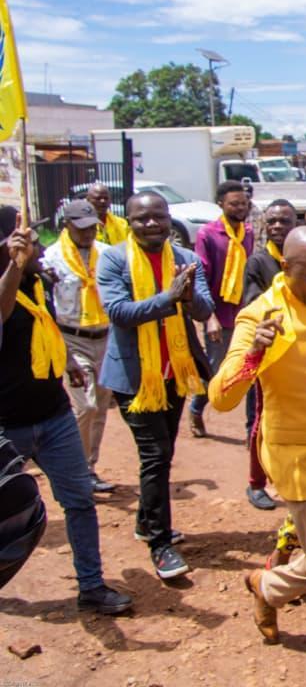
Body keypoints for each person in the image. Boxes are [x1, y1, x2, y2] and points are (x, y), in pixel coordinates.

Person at [210, 226, 306, 674]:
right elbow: (221, 396)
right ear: (285, 268)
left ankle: (268, 586)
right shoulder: (260, 316)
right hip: (298, 457)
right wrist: (254, 354)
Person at [0, 205, 132, 614]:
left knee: (79, 502)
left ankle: (91, 586)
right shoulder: (12, 281)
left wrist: (68, 362)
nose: (38, 243)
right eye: (25, 235)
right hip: (7, 425)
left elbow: (47, 325)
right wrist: (12, 269)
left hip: (53, 415)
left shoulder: (37, 279)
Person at [98, 192, 214, 580]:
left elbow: (204, 309)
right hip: (134, 378)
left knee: (163, 454)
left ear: (169, 219)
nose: (151, 224)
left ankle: (146, 521)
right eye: (141, 218)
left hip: (174, 373)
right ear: (128, 221)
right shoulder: (113, 259)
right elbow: (118, 313)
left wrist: (189, 296)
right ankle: (160, 543)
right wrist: (168, 297)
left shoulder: (187, 260)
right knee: (156, 454)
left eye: (158, 217)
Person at [41, 200, 115, 493]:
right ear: (67, 226)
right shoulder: (51, 259)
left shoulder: (107, 255)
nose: (88, 234)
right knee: (85, 405)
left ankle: (89, 468)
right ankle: (75, 469)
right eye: (81, 228)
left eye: (92, 227)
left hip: (105, 336)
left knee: (100, 408)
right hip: (72, 338)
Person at [239, 198, 299, 512]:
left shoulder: (303, 259)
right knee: (260, 419)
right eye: (272, 221)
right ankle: (256, 482)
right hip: (270, 353)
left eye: (284, 221)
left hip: (301, 355)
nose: (277, 227)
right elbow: (253, 305)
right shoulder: (259, 262)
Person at [189, 180, 254, 438]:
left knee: (249, 369)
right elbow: (201, 278)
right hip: (219, 314)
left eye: (243, 203)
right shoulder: (208, 234)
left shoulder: (248, 232)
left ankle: (252, 429)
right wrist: (209, 317)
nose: (240, 208)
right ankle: (196, 408)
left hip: (243, 314)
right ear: (221, 205)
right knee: (217, 370)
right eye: (234, 204)